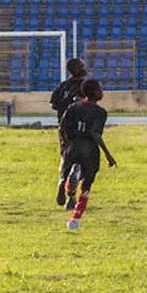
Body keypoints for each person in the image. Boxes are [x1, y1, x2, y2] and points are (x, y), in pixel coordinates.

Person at [58, 78, 117, 229]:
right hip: (89, 149)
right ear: (95, 93)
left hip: (73, 146)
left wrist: (67, 144)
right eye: (100, 89)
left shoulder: (73, 107)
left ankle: (65, 182)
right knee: (86, 186)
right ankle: (74, 220)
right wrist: (108, 154)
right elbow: (95, 133)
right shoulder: (100, 112)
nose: (102, 92)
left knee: (69, 174)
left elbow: (61, 128)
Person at [50, 58, 88, 204]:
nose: (84, 68)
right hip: (80, 127)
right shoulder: (84, 85)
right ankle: (71, 195)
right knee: (81, 160)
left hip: (63, 128)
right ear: (76, 69)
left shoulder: (63, 86)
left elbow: (53, 104)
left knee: (65, 156)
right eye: (82, 66)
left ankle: (62, 181)